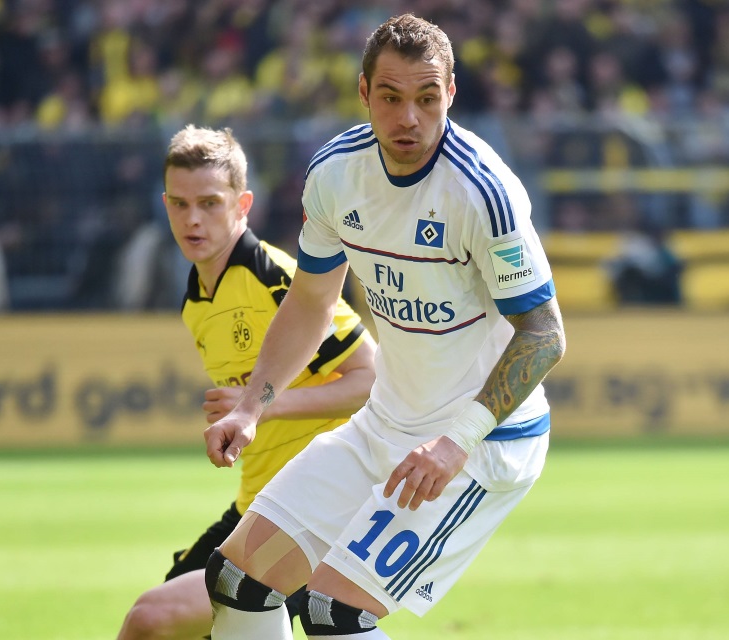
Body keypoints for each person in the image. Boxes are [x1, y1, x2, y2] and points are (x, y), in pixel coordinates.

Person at [202, 14, 566, 639]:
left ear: (450, 94)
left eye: (427, 99)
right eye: (392, 98)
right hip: (384, 424)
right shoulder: (337, 174)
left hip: (479, 445)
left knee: (334, 612)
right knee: (239, 580)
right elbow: (313, 301)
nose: (409, 119)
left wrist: (455, 443)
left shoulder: (482, 193)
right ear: (364, 91)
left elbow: (544, 333)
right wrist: (254, 405)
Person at [116, 125, 377, 640]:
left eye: (210, 203)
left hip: (318, 510)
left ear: (243, 204)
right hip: (255, 505)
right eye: (179, 203)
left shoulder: (276, 279)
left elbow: (371, 380)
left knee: (152, 620)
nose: (192, 219)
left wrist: (260, 406)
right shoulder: (196, 302)